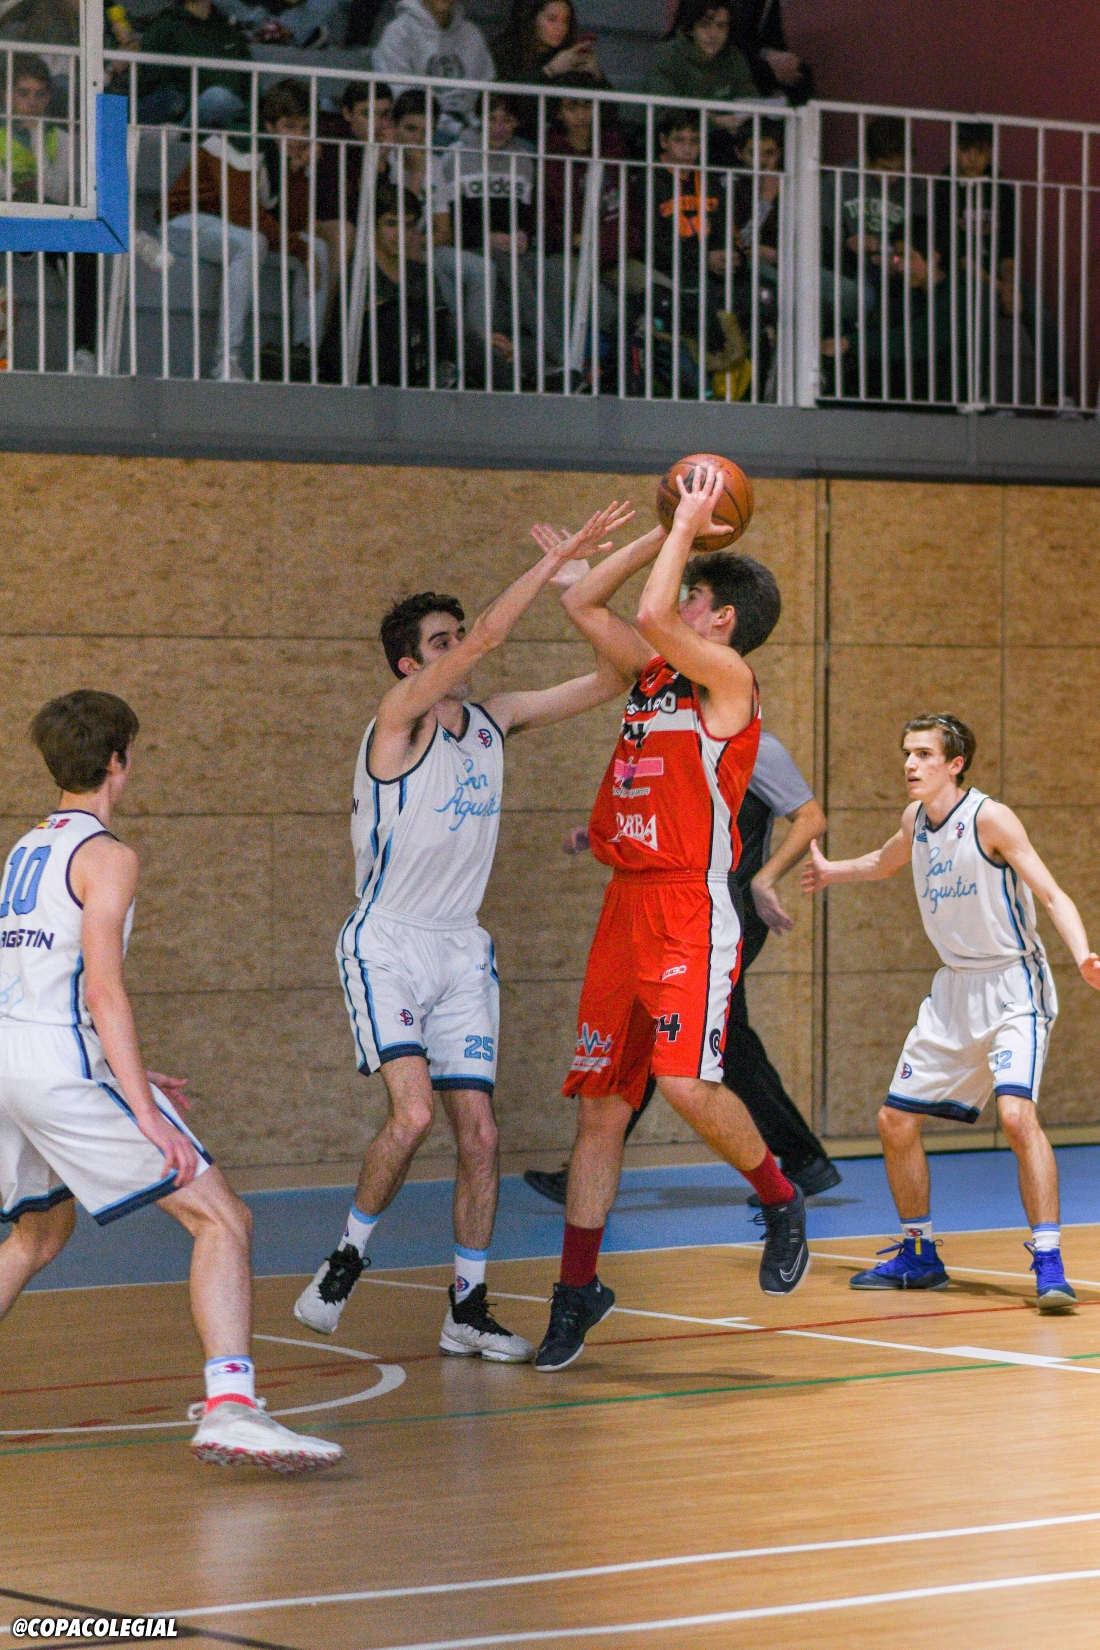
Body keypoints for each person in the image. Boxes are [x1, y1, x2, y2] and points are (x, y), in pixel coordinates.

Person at [293, 499, 636, 1360]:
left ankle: (467, 1308)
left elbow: (616, 677)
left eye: (457, 635)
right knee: (412, 1116)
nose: (462, 648)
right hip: (387, 941)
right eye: (439, 642)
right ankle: (347, 1256)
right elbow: (487, 635)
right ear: (412, 665)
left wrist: (584, 590)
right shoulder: (397, 721)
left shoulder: (496, 719)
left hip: (460, 948)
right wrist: (548, 570)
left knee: (480, 1135)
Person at [0, 690, 340, 1471]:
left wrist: (122, 1070)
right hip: (60, 1066)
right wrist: (143, 1109)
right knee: (222, 1218)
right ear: (118, 760)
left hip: (14, 1059)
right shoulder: (109, 856)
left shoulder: (27, 848)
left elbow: (36, 978)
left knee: (36, 1237)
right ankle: (232, 1408)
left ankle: (233, 1407)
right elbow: (103, 989)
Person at [531, 467, 809, 1374]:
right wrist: (664, 527)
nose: (677, 601)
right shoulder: (651, 673)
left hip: (691, 901)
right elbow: (582, 605)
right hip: (626, 900)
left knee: (685, 1086)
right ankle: (577, 1291)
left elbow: (652, 613)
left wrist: (692, 525)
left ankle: (780, 1197)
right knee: (601, 1109)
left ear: (719, 619)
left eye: (695, 594)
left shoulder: (729, 680)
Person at [802, 713, 1100, 1310]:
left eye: (923, 754)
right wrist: (835, 871)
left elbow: (1051, 893)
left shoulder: (990, 818)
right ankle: (919, 1255)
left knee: (1016, 1116)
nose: (910, 764)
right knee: (895, 1122)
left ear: (955, 764)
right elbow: (886, 861)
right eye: (906, 753)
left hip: (1013, 985)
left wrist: (1083, 954)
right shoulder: (915, 819)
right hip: (953, 992)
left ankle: (1049, 1261)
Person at [525, 727, 839, 1205]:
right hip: (683, 911)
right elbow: (673, 822)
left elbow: (811, 818)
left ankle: (590, 1164)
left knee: (677, 1034)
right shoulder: (672, 741)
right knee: (715, 1039)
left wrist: (765, 878)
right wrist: (599, 836)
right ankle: (804, 1161)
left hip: (726, 909)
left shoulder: (755, 746)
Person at [165, 79, 329, 382]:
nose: (299, 136)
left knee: (319, 248)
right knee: (252, 243)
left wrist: (300, 172)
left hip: (229, 227)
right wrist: (300, 250)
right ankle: (226, 361)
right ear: (269, 125)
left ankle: (304, 358)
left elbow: (293, 224)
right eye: (289, 126)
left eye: (306, 128)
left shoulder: (281, 154)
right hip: (185, 221)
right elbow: (242, 213)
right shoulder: (240, 138)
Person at [430, 91, 536, 376]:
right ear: (478, 119)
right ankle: (555, 355)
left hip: (509, 245)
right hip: (472, 245)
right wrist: (486, 238)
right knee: (503, 262)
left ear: (517, 123)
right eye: (491, 119)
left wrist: (524, 235)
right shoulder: (456, 155)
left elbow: (529, 213)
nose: (499, 128)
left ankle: (550, 351)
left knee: (548, 272)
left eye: (507, 120)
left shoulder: (525, 158)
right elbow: (449, 222)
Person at [543, 78, 639, 386]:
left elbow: (629, 209)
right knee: (599, 302)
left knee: (659, 291)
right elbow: (543, 221)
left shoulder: (614, 147)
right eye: (572, 107)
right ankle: (585, 370)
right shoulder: (549, 152)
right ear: (559, 113)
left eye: (587, 106)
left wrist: (617, 243)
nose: (581, 115)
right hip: (570, 253)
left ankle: (647, 372)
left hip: (615, 251)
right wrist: (569, 238)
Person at [644, 3, 757, 167]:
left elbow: (749, 99)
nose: (713, 34)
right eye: (705, 25)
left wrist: (739, 121)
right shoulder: (667, 56)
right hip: (672, 145)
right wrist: (713, 122)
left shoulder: (735, 58)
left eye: (721, 26)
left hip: (724, 145)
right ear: (691, 28)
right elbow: (665, 110)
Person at [372, 0, 495, 147]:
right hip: (422, 131)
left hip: (470, 129)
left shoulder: (471, 34)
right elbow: (401, 98)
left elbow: (487, 90)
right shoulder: (398, 33)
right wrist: (453, 128)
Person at [491, 1, 609, 145]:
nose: (560, 28)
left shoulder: (569, 54)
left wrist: (596, 75)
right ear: (532, 19)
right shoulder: (505, 51)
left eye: (565, 21)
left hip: (557, 142)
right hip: (512, 140)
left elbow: (608, 114)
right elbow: (509, 102)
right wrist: (550, 70)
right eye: (552, 19)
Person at [137, 0, 251, 129]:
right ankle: (181, 133)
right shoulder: (164, 27)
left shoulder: (228, 28)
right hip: (184, 114)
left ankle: (180, 133)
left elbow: (248, 82)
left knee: (223, 100)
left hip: (232, 117)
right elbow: (152, 85)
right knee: (218, 97)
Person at [728, 0, 813, 106]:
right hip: (732, 54)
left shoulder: (770, 4)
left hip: (757, 56)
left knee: (800, 74)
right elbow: (735, 40)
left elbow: (775, 38)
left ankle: (779, 106)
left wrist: (785, 59)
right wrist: (766, 55)